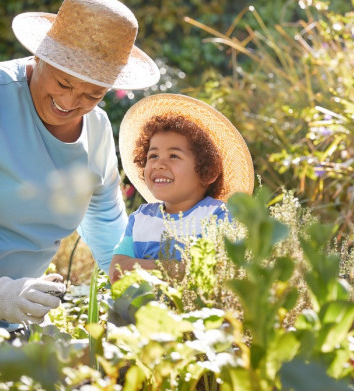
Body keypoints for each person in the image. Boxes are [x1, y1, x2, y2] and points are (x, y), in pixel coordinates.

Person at [0, 0, 160, 331]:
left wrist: (138, 295)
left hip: (12, 322)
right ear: (41, 54)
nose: (70, 102)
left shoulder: (98, 128)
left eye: (93, 94)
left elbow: (105, 224)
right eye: (63, 82)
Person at [109, 93, 254, 283]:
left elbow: (217, 272)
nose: (159, 164)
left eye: (174, 156)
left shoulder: (218, 216)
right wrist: (177, 268)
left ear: (207, 171)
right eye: (152, 156)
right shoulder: (140, 218)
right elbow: (117, 271)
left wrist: (140, 267)